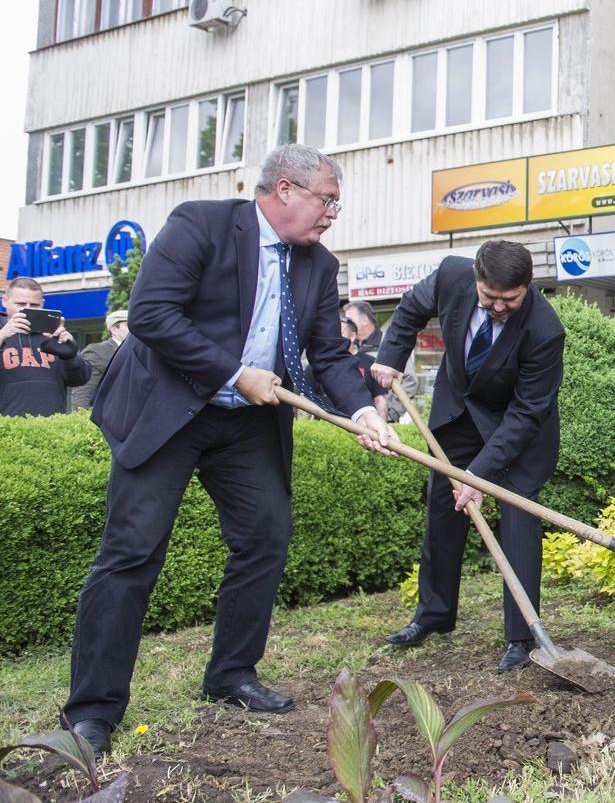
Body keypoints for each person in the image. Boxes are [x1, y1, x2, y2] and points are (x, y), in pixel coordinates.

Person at [63, 145, 395, 756]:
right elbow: (152, 315)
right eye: (328, 200)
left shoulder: (318, 264)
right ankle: (93, 710)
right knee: (132, 552)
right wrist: (234, 372)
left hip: (247, 424)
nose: (333, 214)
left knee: (265, 536)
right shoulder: (203, 224)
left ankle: (231, 674)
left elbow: (327, 353)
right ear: (287, 190)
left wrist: (365, 411)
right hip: (171, 409)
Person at [372, 240, 564, 674]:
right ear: (476, 279)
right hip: (459, 413)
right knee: (442, 511)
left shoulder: (544, 329)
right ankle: (434, 615)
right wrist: (390, 356)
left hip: (516, 431)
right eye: (490, 297)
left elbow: (527, 412)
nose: (498, 307)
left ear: (527, 288)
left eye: (510, 299)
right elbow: (408, 310)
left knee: (518, 525)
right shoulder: (450, 275)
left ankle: (521, 637)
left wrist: (477, 476)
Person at [0, 276, 90, 415]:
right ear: (5, 301)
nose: (27, 310)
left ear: (42, 303)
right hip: (7, 430)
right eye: (20, 304)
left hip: (50, 428)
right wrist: (2, 335)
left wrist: (70, 357)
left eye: (34, 305)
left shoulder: (51, 334)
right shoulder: (2, 332)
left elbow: (79, 379)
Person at [71, 310, 129, 411]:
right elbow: (84, 394)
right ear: (114, 329)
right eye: (129, 324)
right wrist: (85, 421)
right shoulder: (98, 352)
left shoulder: (142, 352)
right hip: (109, 421)